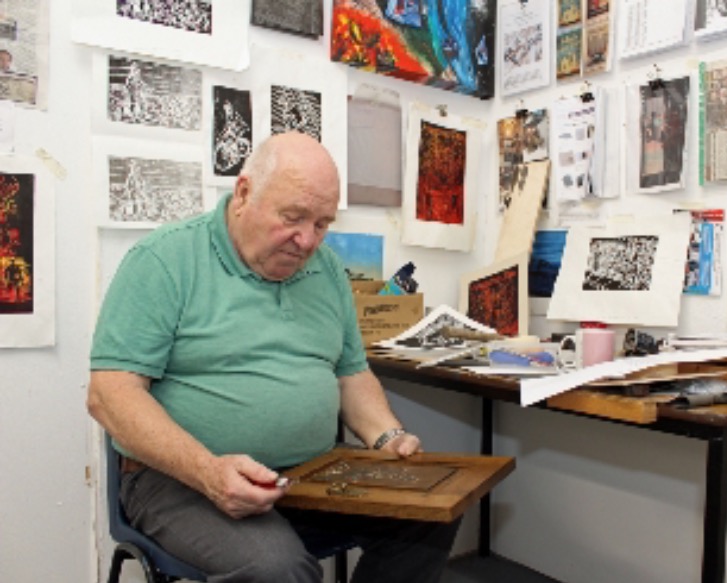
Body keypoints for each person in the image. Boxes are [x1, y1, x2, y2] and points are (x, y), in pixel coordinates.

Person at [88, 131, 460, 583]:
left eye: (322, 224)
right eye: (293, 217)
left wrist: (389, 437)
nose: (307, 241)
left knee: (431, 511)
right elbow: (110, 395)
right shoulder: (165, 259)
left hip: (312, 471)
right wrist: (208, 472)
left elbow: (351, 375)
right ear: (244, 193)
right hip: (181, 479)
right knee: (276, 569)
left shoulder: (327, 270)